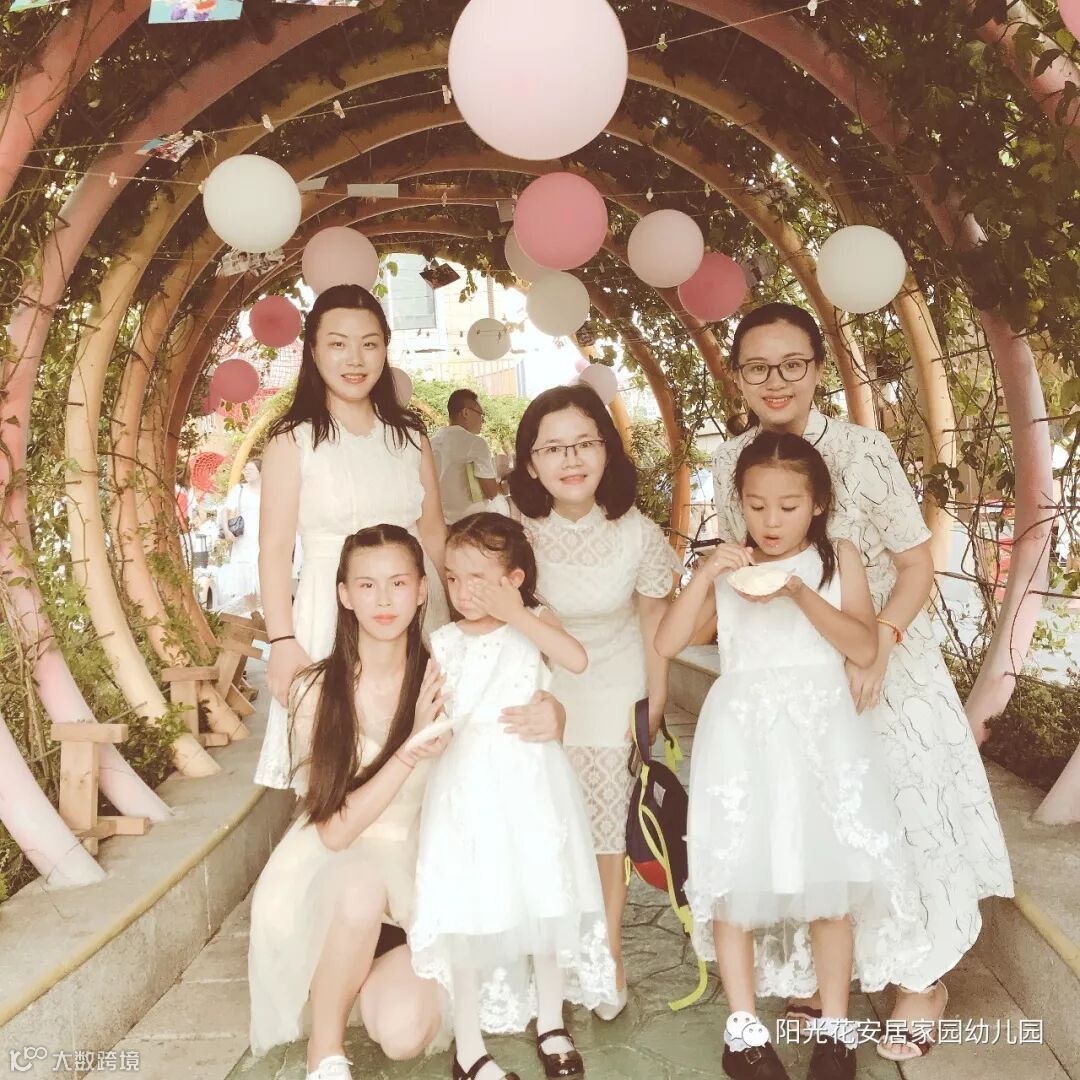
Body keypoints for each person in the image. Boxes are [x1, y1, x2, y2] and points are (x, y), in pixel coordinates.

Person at [710, 302, 1012, 1061]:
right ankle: (831, 977)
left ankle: (921, 980)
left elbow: (914, 564)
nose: (775, 380)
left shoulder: (864, 450)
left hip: (881, 655)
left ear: (818, 368)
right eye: (757, 366)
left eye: (792, 364)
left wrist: (879, 644)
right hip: (796, 672)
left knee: (898, 820)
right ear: (737, 375)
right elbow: (747, 567)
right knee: (814, 823)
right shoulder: (730, 460)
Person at [657, 433, 928, 1080]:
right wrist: (705, 575)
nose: (771, 521)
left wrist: (798, 593)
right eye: (756, 507)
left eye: (787, 506)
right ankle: (744, 1034)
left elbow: (863, 648)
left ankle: (835, 1030)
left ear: (817, 504)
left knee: (828, 885)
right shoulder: (731, 566)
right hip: (742, 737)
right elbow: (667, 643)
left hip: (821, 736)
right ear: (739, 504)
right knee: (734, 882)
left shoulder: (838, 557)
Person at [409, 513, 616, 1080]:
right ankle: (469, 1044)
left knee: (543, 895)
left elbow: (575, 659)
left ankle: (550, 1020)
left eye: (478, 579)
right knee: (471, 904)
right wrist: (434, 732)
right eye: (453, 578)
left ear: (515, 578)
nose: (462, 592)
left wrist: (517, 613)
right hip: (467, 787)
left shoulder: (533, 622)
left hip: (531, 783)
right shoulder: (444, 640)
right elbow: (436, 711)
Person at [507, 384, 681, 1022]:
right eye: (552, 448)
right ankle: (547, 958)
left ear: (608, 451)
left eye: (585, 443)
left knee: (609, 836)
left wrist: (654, 701)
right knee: (547, 829)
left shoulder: (638, 534)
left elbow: (654, 619)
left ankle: (607, 956)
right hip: (539, 690)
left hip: (614, 687)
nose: (571, 459)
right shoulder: (512, 530)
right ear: (530, 464)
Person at [254, 283, 451, 790]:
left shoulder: (410, 436)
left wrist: (464, 619)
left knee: (429, 772)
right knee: (337, 777)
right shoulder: (292, 440)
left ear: (385, 349)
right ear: (313, 350)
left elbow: (433, 532)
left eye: (370, 343)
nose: (355, 359)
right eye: (338, 343)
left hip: (415, 607)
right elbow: (274, 550)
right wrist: (282, 641)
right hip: (328, 611)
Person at [430, 389, 502, 524]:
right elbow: (491, 492)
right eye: (481, 414)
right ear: (466, 412)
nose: (482, 420)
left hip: (439, 522)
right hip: (470, 524)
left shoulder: (431, 443)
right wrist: (503, 483)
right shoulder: (475, 443)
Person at [217, 459, 262, 616]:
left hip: (262, 537)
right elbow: (226, 510)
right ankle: (254, 612)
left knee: (263, 573)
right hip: (244, 538)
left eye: (251, 469)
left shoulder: (268, 491)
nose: (246, 472)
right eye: (245, 469)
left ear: (260, 472)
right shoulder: (239, 489)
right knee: (246, 576)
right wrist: (226, 530)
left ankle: (270, 612)